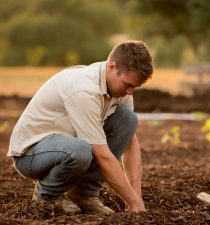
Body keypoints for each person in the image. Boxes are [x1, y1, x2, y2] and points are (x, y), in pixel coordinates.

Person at [7, 40, 153, 215]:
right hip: (30, 153)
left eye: (134, 87)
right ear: (112, 67)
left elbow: (130, 143)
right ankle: (47, 196)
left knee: (127, 119)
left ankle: (84, 194)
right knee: (81, 150)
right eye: (128, 85)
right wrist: (132, 201)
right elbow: (102, 155)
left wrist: (136, 198)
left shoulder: (120, 90)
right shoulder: (85, 91)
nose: (130, 92)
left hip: (66, 145)